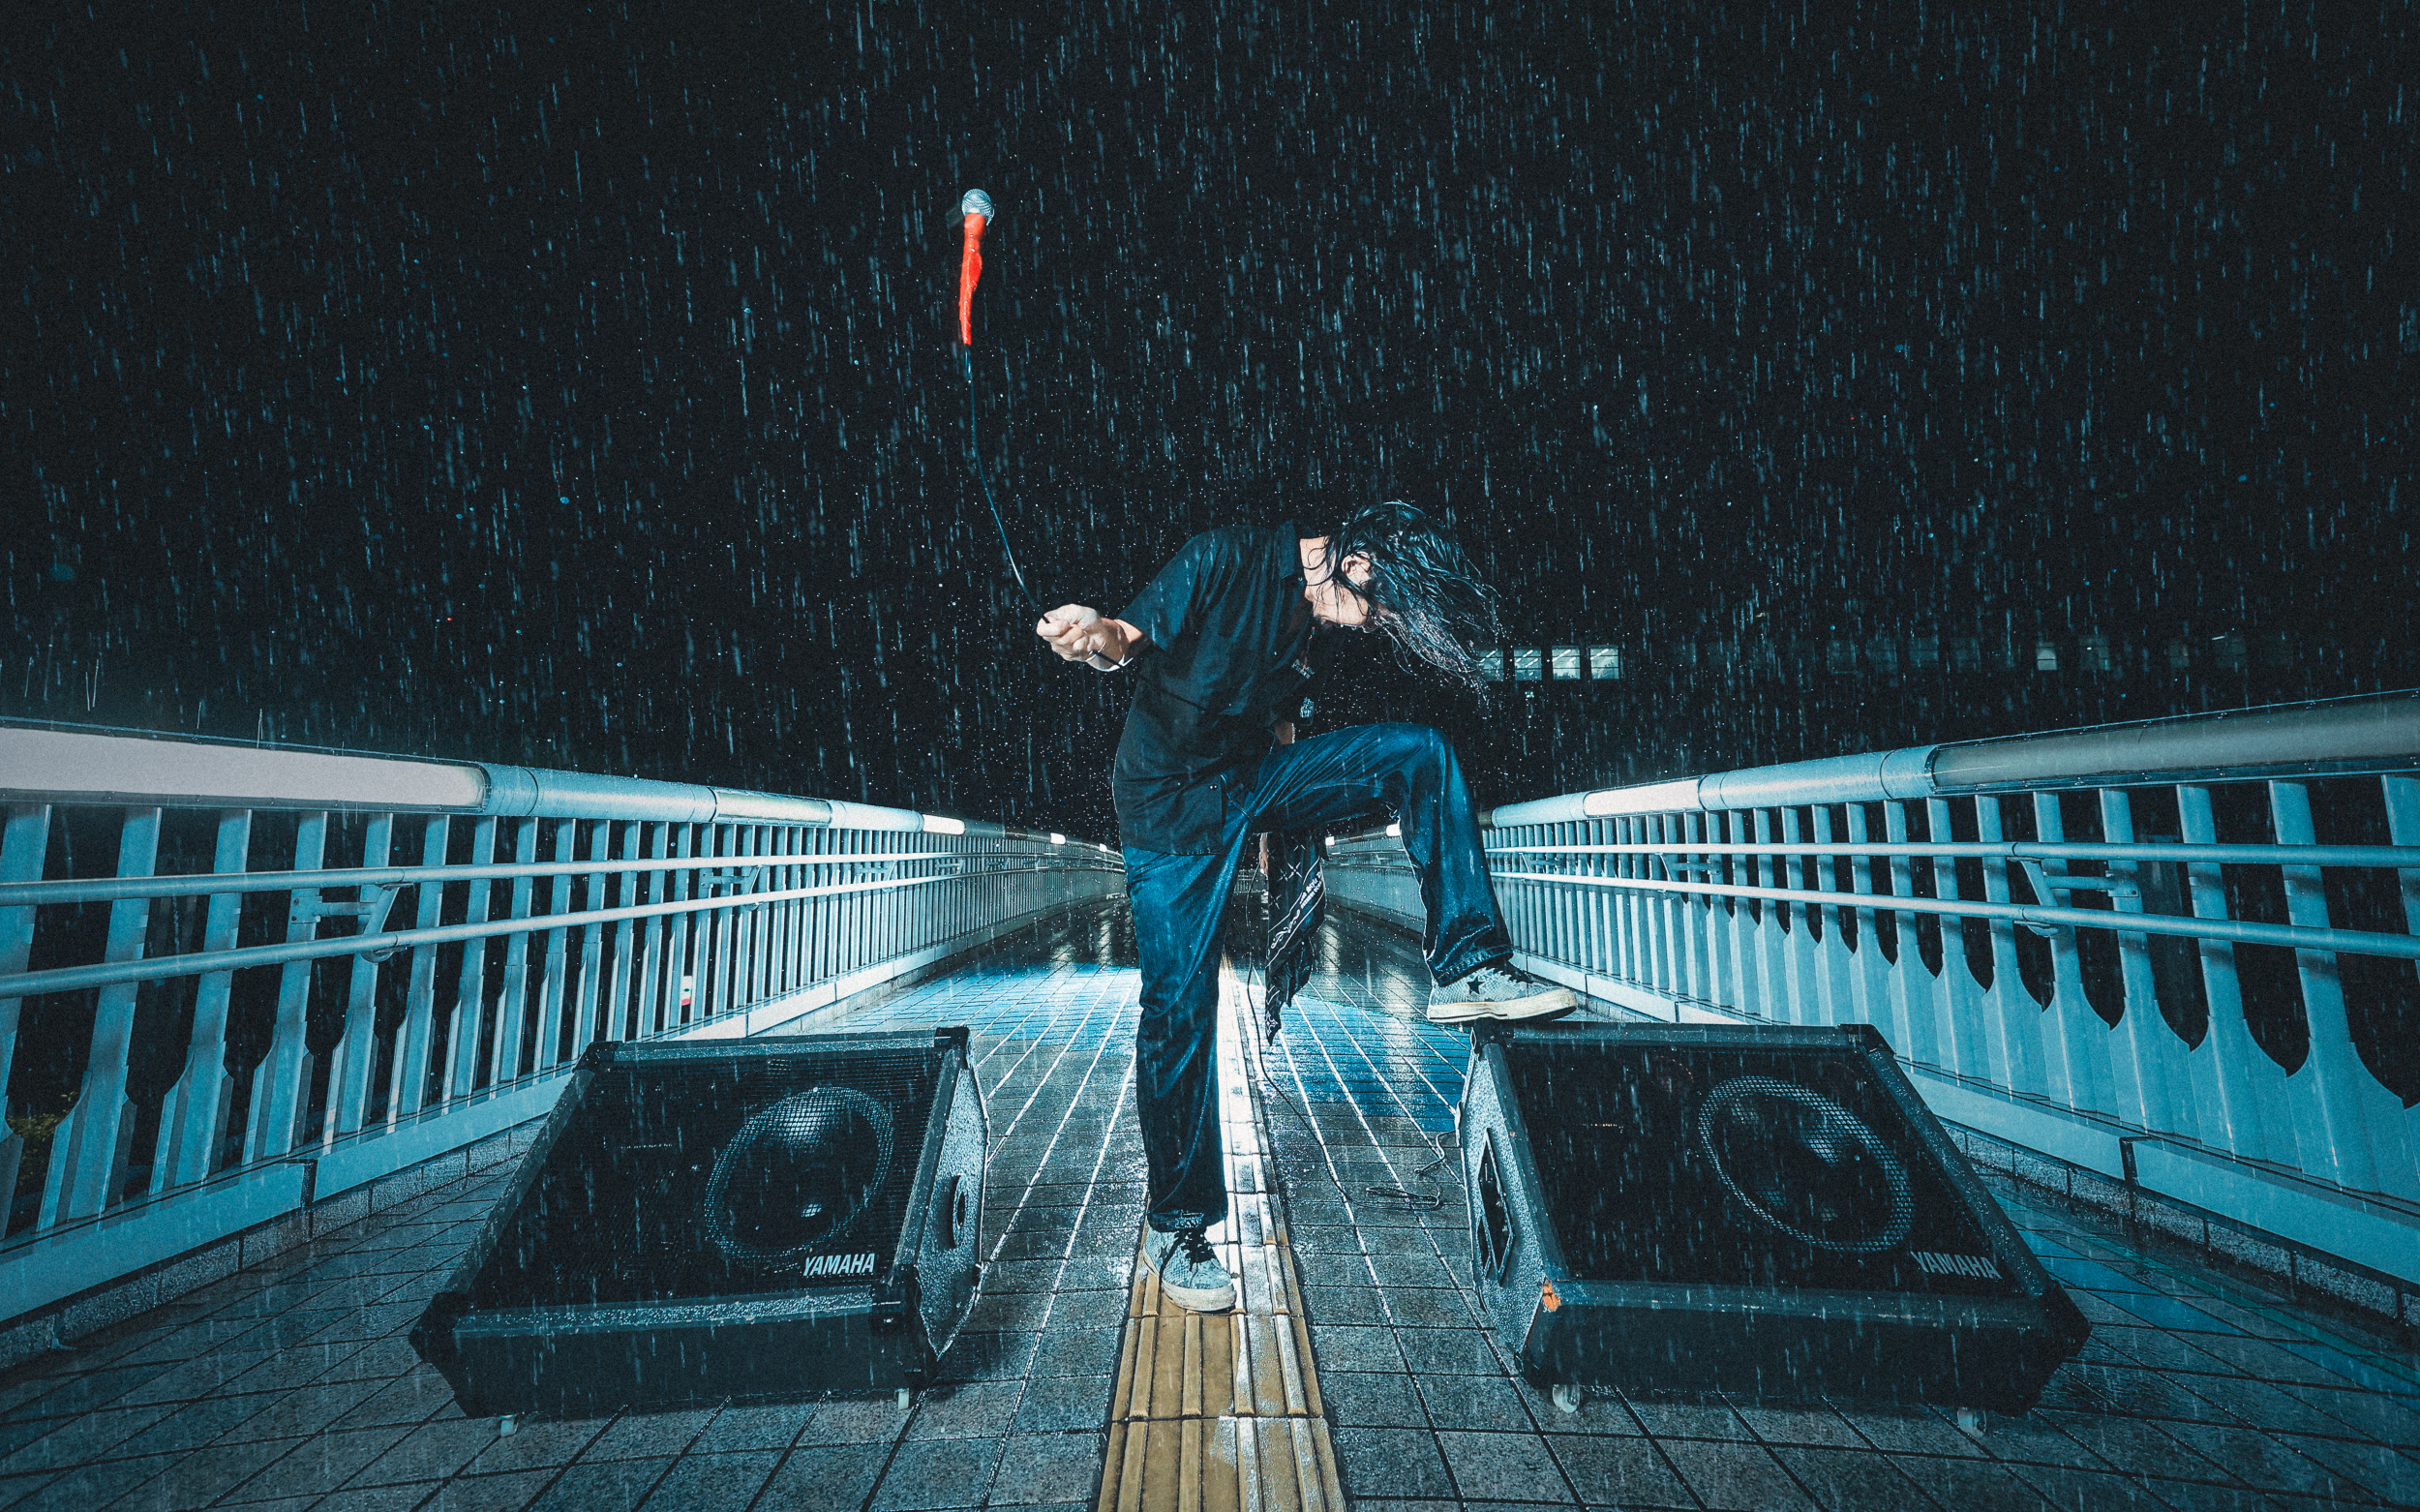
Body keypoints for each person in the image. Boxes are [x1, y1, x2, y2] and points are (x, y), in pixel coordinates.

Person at [1035, 501, 1577, 1313]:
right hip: (1168, 809)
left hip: (1248, 786)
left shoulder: (1310, 625)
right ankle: (1176, 1227)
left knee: (1420, 755)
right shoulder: (1222, 558)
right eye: (1381, 608)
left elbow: (1279, 720)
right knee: (1180, 1008)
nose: (1376, 625)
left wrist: (1286, 828)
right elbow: (1124, 637)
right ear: (1356, 564)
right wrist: (1092, 635)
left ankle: (1469, 964)